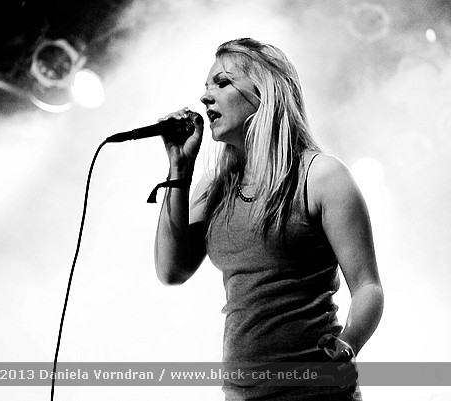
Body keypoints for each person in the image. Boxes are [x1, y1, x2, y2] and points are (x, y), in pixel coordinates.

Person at [153, 38, 384, 400]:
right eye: (206, 86)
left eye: (222, 83)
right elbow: (171, 271)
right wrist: (179, 169)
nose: (205, 97)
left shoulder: (321, 177)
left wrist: (349, 343)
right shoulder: (214, 187)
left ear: (264, 94)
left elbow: (368, 286)